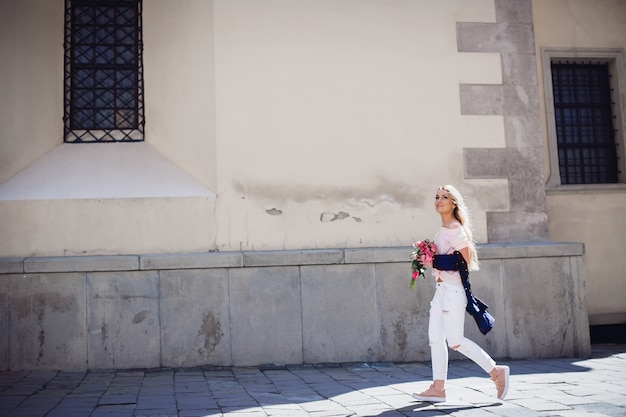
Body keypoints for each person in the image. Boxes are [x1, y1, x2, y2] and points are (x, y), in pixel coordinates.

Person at [412, 184, 509, 403]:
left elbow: (464, 260)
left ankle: (496, 372)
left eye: (444, 197)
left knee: (455, 341)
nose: (439, 200)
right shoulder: (444, 229)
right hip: (441, 291)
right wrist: (427, 257)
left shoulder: (455, 228)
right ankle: (438, 389)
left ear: (453, 202)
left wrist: (435, 259)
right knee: (435, 339)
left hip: (453, 292)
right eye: (437, 197)